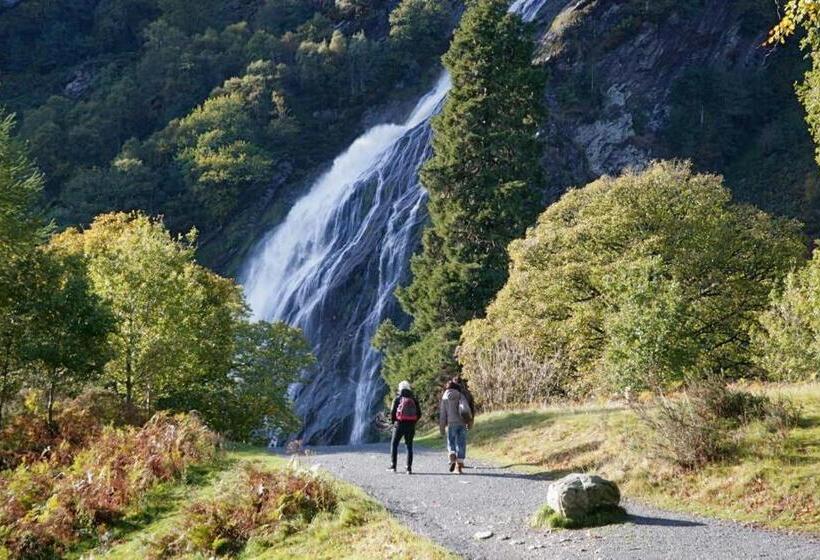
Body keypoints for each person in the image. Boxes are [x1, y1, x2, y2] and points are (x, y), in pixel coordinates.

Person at [439, 380, 473, 474]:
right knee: (461, 443)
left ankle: (452, 454)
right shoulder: (460, 395)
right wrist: (469, 422)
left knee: (451, 441)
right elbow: (466, 409)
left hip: (451, 423)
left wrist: (442, 428)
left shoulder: (445, 397)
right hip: (462, 423)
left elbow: (443, 414)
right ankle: (459, 466)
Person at [388, 380, 421, 474]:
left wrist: (393, 422)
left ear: (400, 389)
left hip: (399, 424)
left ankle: (393, 466)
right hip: (410, 425)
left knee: (394, 444)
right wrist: (413, 421)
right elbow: (419, 414)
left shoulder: (397, 399)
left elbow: (392, 412)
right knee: (409, 446)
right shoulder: (414, 399)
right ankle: (408, 468)